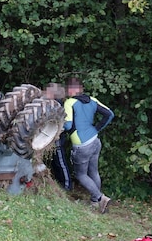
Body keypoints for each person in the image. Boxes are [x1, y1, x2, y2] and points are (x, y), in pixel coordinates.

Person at [63, 77, 114, 213]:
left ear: (70, 90)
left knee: (81, 175)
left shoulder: (69, 103)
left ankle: (100, 197)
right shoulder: (92, 100)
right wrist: (96, 129)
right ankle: (94, 202)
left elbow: (67, 125)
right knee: (93, 171)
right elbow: (109, 114)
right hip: (95, 141)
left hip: (81, 145)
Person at [44, 83, 73, 191]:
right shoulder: (51, 103)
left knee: (60, 161)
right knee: (54, 161)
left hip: (57, 138)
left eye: (48, 91)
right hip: (50, 136)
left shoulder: (58, 105)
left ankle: (67, 185)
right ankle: (59, 182)